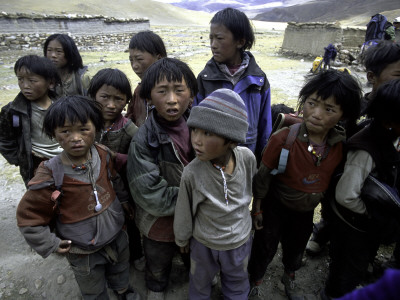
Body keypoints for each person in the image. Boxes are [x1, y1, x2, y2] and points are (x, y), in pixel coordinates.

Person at [248, 69, 362, 299]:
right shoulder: (283, 139)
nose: (316, 114)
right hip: (275, 206)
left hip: (306, 210)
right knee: (264, 247)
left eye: (329, 109)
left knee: (297, 246)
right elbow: (263, 176)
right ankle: (255, 282)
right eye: (312, 103)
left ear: (343, 115)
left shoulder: (340, 146)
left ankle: (289, 277)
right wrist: (258, 208)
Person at [16, 95, 141, 300]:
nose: (75, 138)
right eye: (65, 131)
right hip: (82, 249)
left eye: (83, 129)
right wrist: (51, 243)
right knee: (91, 285)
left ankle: (122, 290)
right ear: (53, 134)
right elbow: (29, 217)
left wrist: (125, 201)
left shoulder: (103, 154)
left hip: (117, 235)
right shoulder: (50, 173)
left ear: (96, 127)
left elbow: (115, 180)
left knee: (120, 269)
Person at [306, 40, 400, 256]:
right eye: (397, 75)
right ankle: (323, 231)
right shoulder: (353, 109)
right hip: (341, 178)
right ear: (371, 77)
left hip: (373, 187)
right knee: (334, 210)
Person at [174, 88, 257, 299]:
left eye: (208, 133)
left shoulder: (247, 158)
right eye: (195, 130)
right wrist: (182, 238)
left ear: (232, 140)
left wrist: (256, 211)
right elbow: (184, 209)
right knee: (200, 282)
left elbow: (250, 188)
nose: (197, 141)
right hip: (204, 243)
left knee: (237, 281)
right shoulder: (192, 172)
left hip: (239, 240)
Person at [126, 57, 198, 300]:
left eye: (179, 90)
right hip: (159, 221)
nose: (171, 99)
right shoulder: (143, 140)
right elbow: (149, 194)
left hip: (196, 216)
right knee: (158, 258)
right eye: (162, 91)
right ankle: (156, 288)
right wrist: (195, 197)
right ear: (148, 97)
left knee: (194, 253)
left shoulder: (201, 127)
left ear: (191, 94)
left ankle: (195, 279)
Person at [322, 79, 400, 299]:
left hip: (365, 225)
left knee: (358, 260)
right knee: (346, 268)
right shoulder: (365, 149)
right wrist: (371, 215)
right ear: (390, 120)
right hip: (352, 224)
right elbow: (346, 196)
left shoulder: (387, 136)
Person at [194, 7, 272, 163]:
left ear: (240, 41)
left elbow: (265, 126)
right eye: (211, 38)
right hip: (213, 160)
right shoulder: (205, 79)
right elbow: (195, 124)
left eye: (219, 38)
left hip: (247, 158)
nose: (213, 45)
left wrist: (262, 161)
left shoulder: (258, 80)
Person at [87, 68, 145, 271]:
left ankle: (136, 254)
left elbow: (142, 155)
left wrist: (115, 157)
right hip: (94, 185)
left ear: (127, 101)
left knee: (130, 219)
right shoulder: (86, 123)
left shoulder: (128, 127)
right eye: (104, 97)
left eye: (118, 99)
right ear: (93, 95)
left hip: (124, 185)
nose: (111, 105)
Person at [0, 55, 62, 187]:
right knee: (40, 196)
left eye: (32, 80)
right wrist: (20, 159)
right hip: (35, 162)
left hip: (64, 157)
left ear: (50, 83)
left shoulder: (63, 105)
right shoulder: (12, 111)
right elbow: (4, 140)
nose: (25, 86)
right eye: (20, 79)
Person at [125, 30, 167, 126]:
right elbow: (130, 121)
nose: (134, 66)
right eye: (131, 60)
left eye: (139, 59)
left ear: (159, 58)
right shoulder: (138, 92)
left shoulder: (173, 90)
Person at [44, 33, 90, 98]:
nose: (53, 55)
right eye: (49, 50)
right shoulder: (43, 77)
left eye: (59, 51)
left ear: (69, 53)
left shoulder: (82, 77)